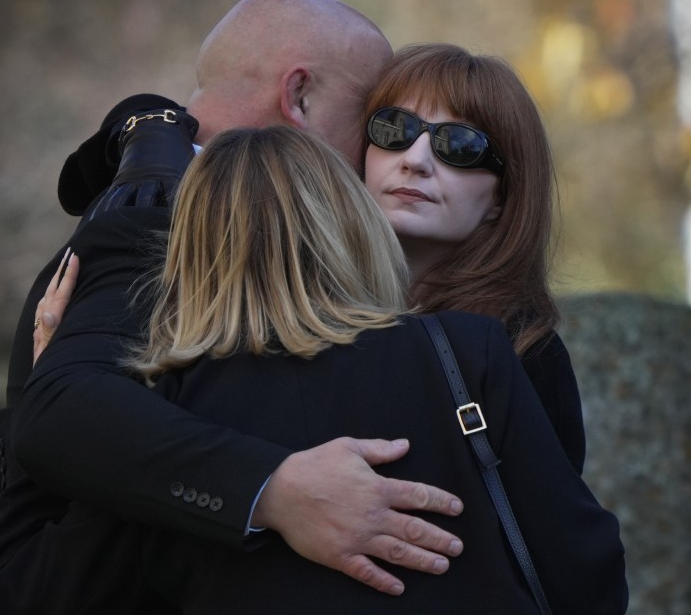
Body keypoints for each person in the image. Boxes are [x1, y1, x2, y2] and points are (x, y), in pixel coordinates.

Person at [0, 0, 464, 614]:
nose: (381, 149)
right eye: (373, 117)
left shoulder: (181, 198)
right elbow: (66, 410)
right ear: (300, 96)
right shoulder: (159, 216)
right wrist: (276, 489)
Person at [33, 126, 627, 612]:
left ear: (190, 247)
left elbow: (48, 594)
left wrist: (44, 378)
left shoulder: (154, 411)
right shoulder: (466, 350)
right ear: (347, 220)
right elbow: (588, 577)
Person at [362, 43, 587, 473]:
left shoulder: (525, 353)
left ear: (503, 197)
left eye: (460, 145)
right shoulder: (305, 315)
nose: (415, 160)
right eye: (395, 128)